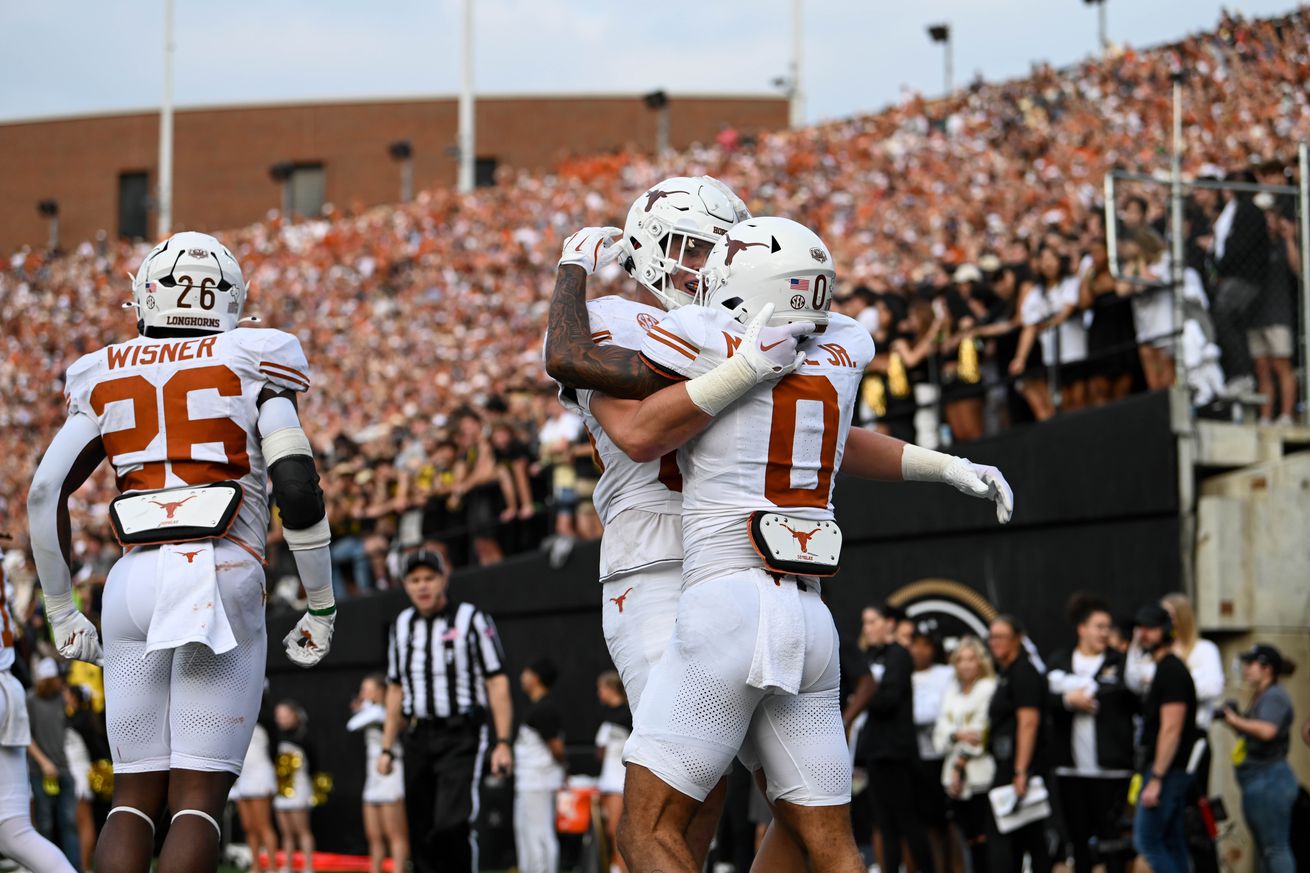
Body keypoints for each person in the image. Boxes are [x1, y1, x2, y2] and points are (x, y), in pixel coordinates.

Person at [546, 205, 1012, 873]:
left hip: (720, 591)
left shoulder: (694, 332)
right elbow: (818, 427)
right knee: (826, 841)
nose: (704, 264)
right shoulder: (844, 342)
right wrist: (946, 464)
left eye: (719, 251)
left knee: (649, 826)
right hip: (798, 608)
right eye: (692, 247)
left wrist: (572, 271)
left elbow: (586, 372)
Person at [25, 231, 337, 873]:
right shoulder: (256, 353)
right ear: (231, 298)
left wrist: (59, 609)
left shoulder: (104, 368)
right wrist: (321, 603)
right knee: (197, 801)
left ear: (145, 295)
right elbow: (298, 488)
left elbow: (43, 491)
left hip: (131, 581)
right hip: (220, 572)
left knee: (132, 797)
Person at [378, 549, 514, 873]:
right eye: (414, 580)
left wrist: (504, 742)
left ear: (444, 579)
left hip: (460, 736)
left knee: (452, 824)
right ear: (405, 585)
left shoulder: (472, 619)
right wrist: (386, 747)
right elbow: (395, 688)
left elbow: (497, 682)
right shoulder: (401, 625)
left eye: (429, 578)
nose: (422, 586)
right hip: (416, 736)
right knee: (421, 830)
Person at [1045, 596, 1136, 873]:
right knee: (1078, 842)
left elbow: (1129, 695)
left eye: (1108, 627)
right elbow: (1044, 697)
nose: (1104, 633)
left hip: (1111, 771)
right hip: (1071, 770)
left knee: (1112, 844)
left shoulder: (1119, 662)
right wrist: (1067, 701)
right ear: (1081, 629)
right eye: (1098, 626)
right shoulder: (1060, 660)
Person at [857, 604, 936, 873]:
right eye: (864, 623)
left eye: (872, 621)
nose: (867, 628)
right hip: (875, 752)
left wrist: (863, 696)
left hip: (897, 752)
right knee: (884, 823)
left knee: (907, 821)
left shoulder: (899, 655)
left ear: (889, 623)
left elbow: (888, 700)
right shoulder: (871, 656)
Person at [1130, 604, 1198, 873]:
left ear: (1167, 631)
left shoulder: (1171, 671)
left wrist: (1157, 778)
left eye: (1150, 628)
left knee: (1147, 842)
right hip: (1167, 771)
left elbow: (1172, 728)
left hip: (1167, 773)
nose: (1142, 635)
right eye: (1140, 628)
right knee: (1172, 842)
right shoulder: (1164, 670)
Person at [1220, 644, 1298, 873]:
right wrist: (1236, 722)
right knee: (1266, 850)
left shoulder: (1275, 696)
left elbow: (1267, 731)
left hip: (1270, 781)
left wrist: (1236, 721)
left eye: (1251, 664)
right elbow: (1254, 735)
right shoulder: (1261, 695)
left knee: (1276, 849)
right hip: (1258, 781)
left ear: (1267, 668)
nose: (1246, 669)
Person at [985, 614, 1051, 873]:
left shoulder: (1024, 672)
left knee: (1004, 837)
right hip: (1008, 764)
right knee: (1027, 838)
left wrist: (1021, 770)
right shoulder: (1008, 673)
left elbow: (1028, 723)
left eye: (1001, 637)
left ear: (1018, 640)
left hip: (1018, 769)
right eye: (992, 637)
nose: (995, 643)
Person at [934, 636, 997, 873]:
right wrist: (957, 735)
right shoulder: (952, 693)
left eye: (972, 659)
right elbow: (939, 738)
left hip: (979, 777)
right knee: (967, 839)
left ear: (980, 661)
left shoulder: (989, 688)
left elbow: (981, 734)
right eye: (961, 659)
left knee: (983, 839)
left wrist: (959, 764)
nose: (967, 664)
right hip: (951, 778)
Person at [347, 674, 409, 873]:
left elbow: (395, 722)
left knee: (395, 834)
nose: (363, 694)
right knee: (374, 835)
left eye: (367, 689)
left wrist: (367, 710)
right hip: (372, 776)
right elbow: (353, 725)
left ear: (381, 691)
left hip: (391, 774)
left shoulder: (390, 713)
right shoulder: (369, 711)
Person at [26, 658, 82, 870]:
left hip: (63, 767)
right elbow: (26, 737)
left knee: (69, 822)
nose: (63, 681)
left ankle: (73, 867)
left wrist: (70, 702)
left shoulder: (60, 698)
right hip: (41, 770)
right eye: (59, 678)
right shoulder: (30, 699)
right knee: (45, 823)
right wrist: (44, 762)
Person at [514, 658, 565, 873]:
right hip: (528, 782)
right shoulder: (536, 708)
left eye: (526, 672)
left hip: (539, 782)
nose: (522, 677)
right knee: (526, 833)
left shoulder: (544, 709)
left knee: (539, 835)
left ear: (536, 678)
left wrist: (563, 771)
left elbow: (557, 748)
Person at [230, 694, 279, 873]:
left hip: (260, 774)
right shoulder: (236, 716)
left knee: (263, 825)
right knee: (248, 826)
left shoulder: (266, 720)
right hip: (243, 776)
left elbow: (275, 748)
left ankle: (272, 867)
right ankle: (256, 866)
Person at [595, 672, 631, 873]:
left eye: (601, 688)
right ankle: (614, 866)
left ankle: (622, 868)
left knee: (618, 830)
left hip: (621, 781)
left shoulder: (628, 715)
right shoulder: (604, 716)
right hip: (607, 780)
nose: (599, 693)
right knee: (608, 832)